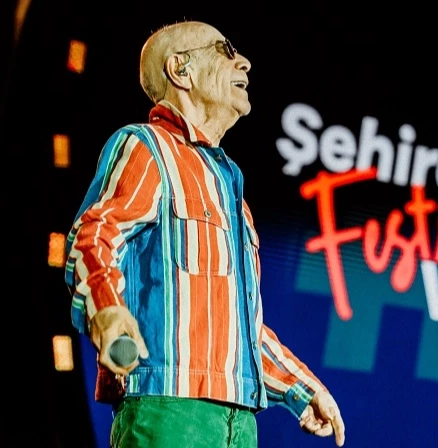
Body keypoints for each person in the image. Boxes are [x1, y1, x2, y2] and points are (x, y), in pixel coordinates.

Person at [64, 20, 345, 448]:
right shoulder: (147, 147)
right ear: (181, 70)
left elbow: (241, 328)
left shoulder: (232, 192)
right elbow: (94, 236)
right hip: (169, 410)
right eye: (225, 50)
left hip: (239, 423)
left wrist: (303, 388)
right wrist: (108, 312)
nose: (244, 62)